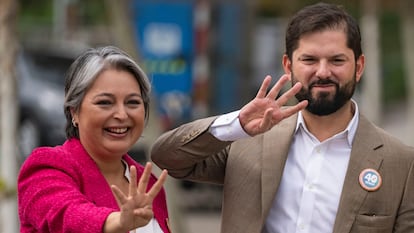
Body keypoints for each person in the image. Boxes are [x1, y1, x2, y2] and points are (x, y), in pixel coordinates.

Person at [151, 2, 414, 233]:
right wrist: (237, 125)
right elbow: (167, 158)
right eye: (309, 59)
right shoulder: (248, 141)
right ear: (288, 66)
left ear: (359, 67)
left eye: (337, 60)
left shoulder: (401, 163)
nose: (323, 72)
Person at [18, 46, 171, 233]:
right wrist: (118, 222)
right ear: (74, 111)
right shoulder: (47, 167)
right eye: (105, 102)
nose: (122, 115)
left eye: (133, 102)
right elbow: (66, 215)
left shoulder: (147, 185)